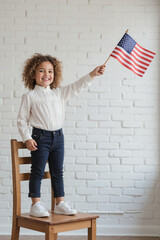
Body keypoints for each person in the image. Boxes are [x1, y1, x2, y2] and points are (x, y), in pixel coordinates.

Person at [17, 53, 105, 218]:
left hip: (58, 137)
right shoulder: (30, 96)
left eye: (50, 71)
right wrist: (27, 138)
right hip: (39, 138)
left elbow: (77, 86)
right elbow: (22, 120)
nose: (46, 75)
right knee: (37, 171)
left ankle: (60, 203)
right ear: (33, 74)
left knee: (57, 171)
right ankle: (35, 204)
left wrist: (92, 74)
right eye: (41, 71)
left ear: (54, 74)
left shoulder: (59, 93)